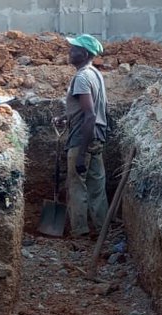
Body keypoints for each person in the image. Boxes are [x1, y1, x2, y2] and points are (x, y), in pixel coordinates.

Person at [55, 34, 108, 238]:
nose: (70, 52)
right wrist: (65, 117)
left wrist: (80, 155)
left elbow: (90, 114)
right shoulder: (95, 74)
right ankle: (103, 229)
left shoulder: (82, 78)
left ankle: (80, 231)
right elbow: (88, 110)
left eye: (74, 49)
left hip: (82, 139)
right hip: (97, 137)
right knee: (97, 186)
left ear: (84, 54)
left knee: (76, 185)